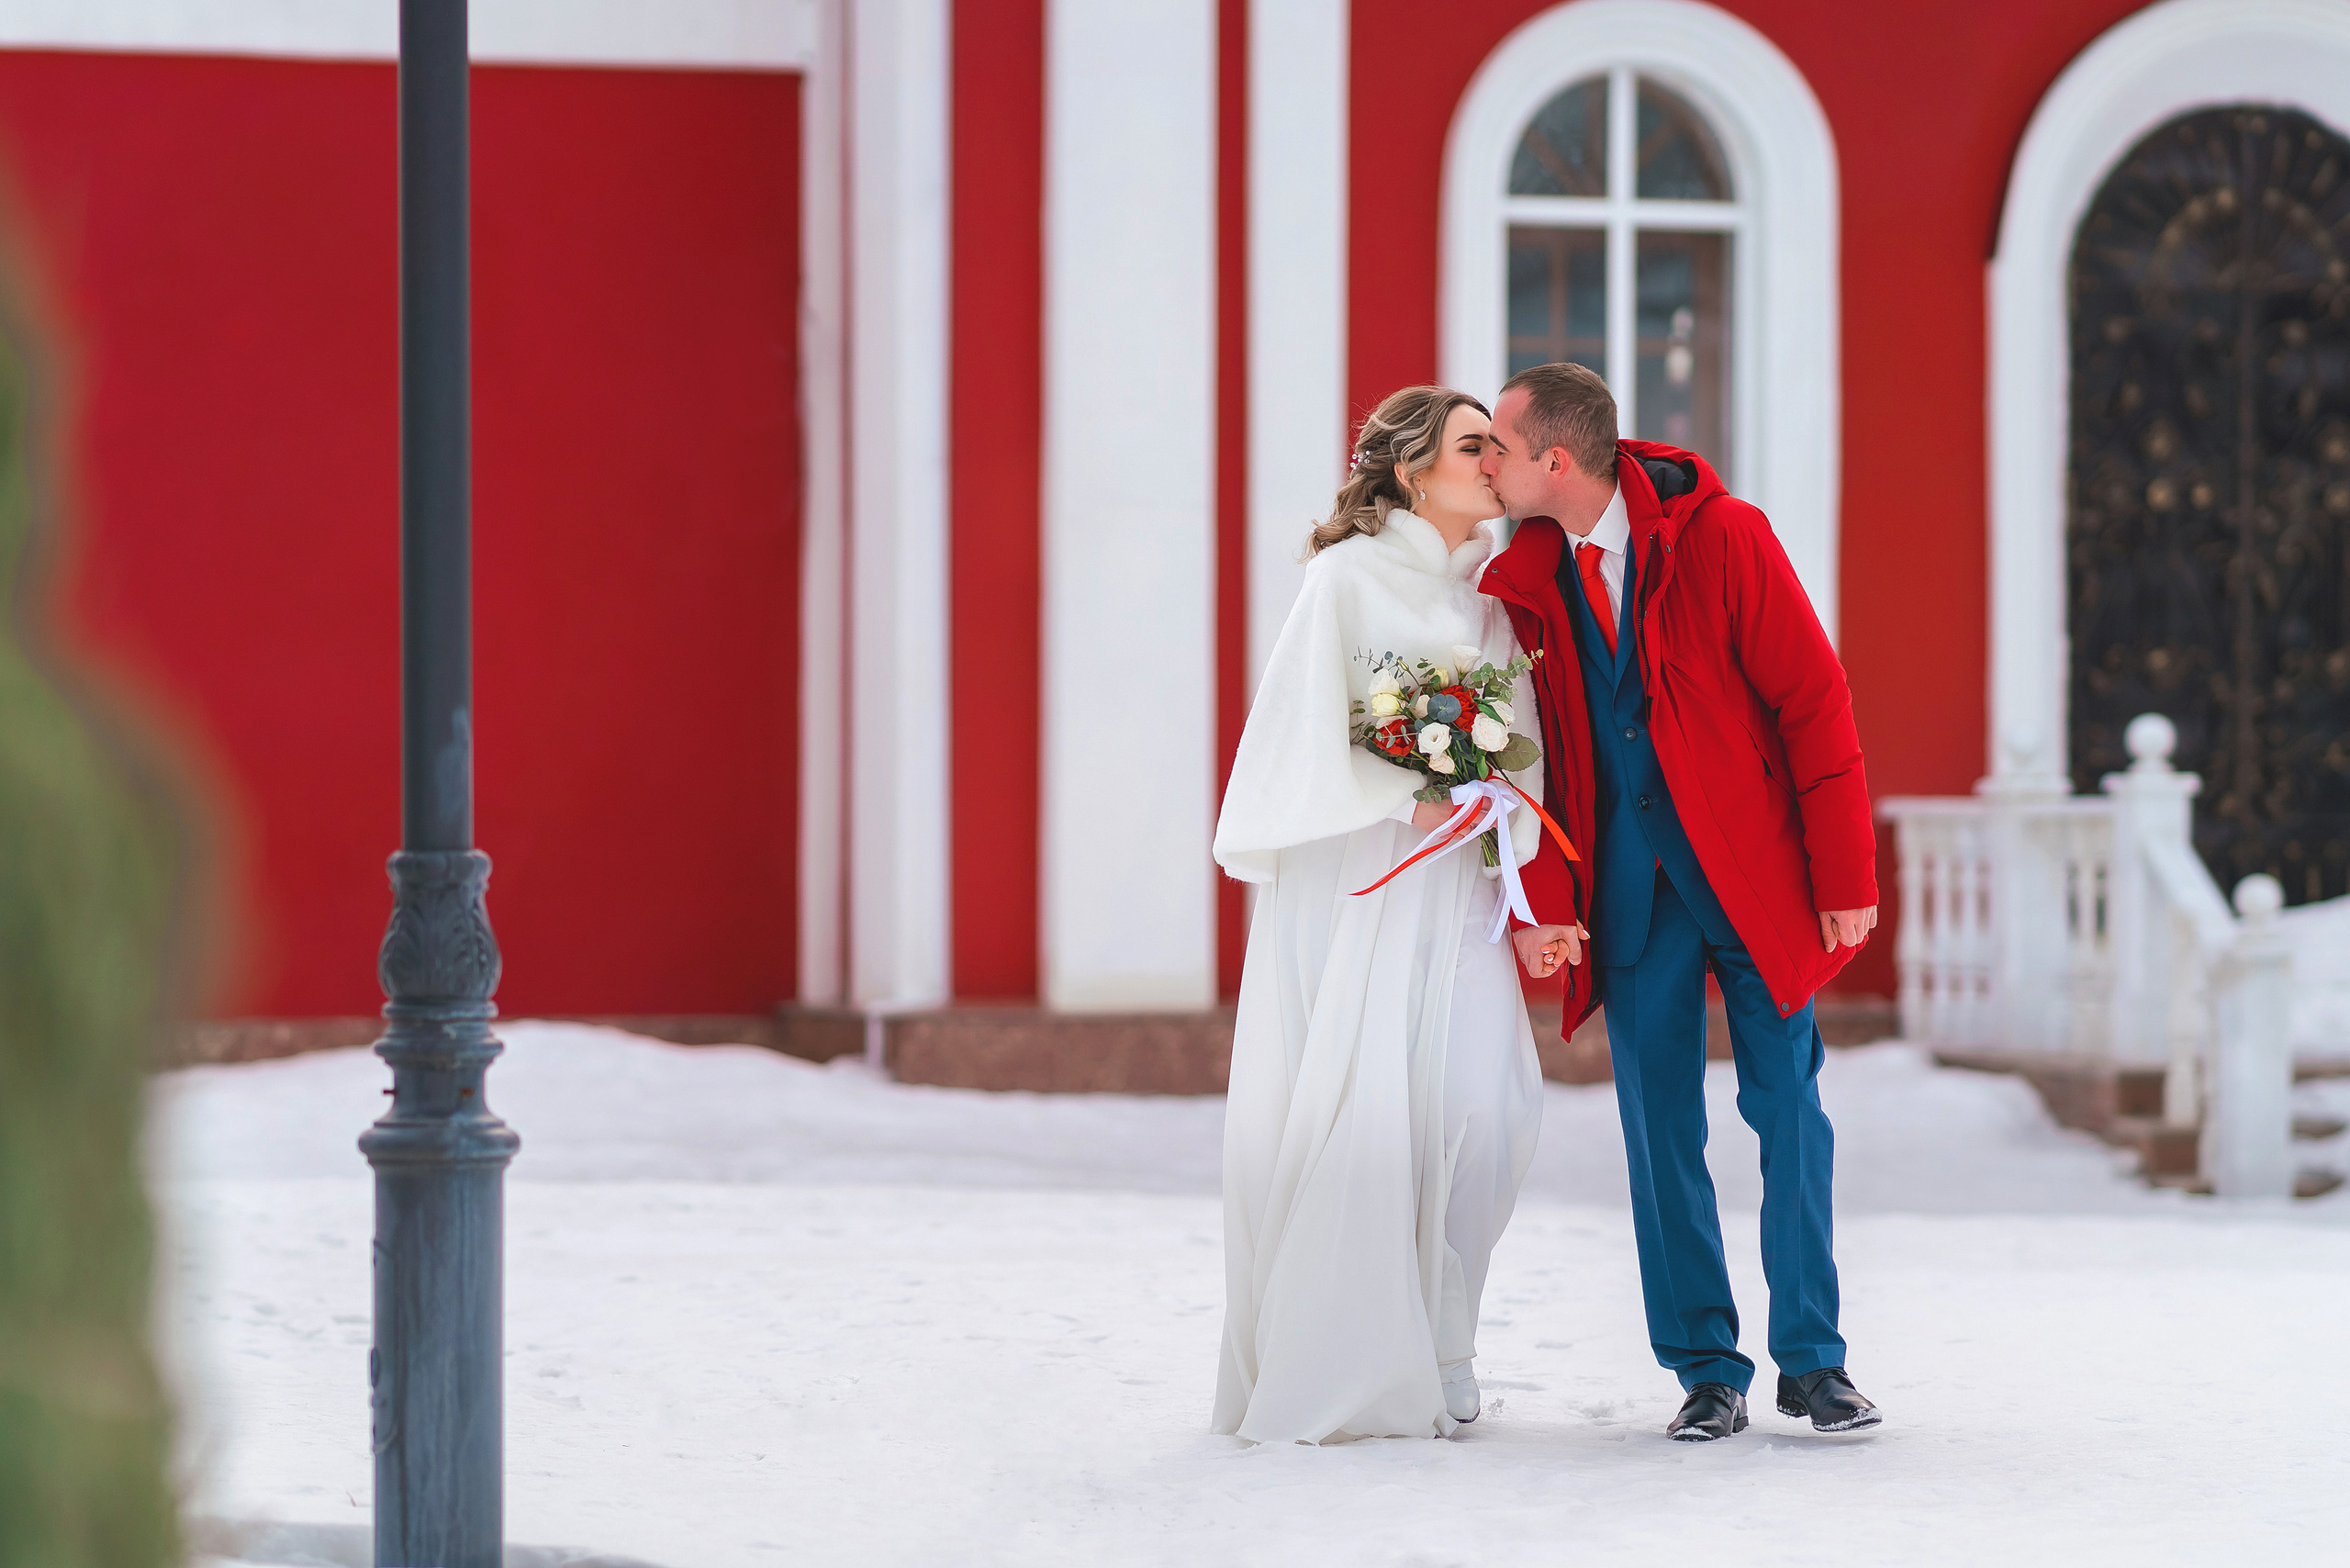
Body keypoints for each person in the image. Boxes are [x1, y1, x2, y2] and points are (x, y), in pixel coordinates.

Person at [1478, 361, 1884, 1441]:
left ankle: (1812, 1361)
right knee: (1658, 1128)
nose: (1488, 466)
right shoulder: (1525, 580)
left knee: (1787, 1110)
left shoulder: (1723, 535)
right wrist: (1549, 902)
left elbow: (1813, 697)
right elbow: (1542, 762)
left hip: (1754, 877)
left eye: (1501, 450)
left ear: (1554, 461)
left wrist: (1844, 875)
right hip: (1629, 892)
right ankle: (1706, 1366)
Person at [1212, 385, 1584, 1444]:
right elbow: (1294, 739)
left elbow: (1525, 759)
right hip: (1365, 885)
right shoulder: (1342, 579)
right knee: (1375, 1115)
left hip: (1458, 887)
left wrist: (1528, 893)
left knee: (1491, 1105)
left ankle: (1445, 1324)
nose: (1494, 463)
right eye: (1475, 446)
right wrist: (1405, 777)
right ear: (1414, 469)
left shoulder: (1495, 596)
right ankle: (1395, 1353)